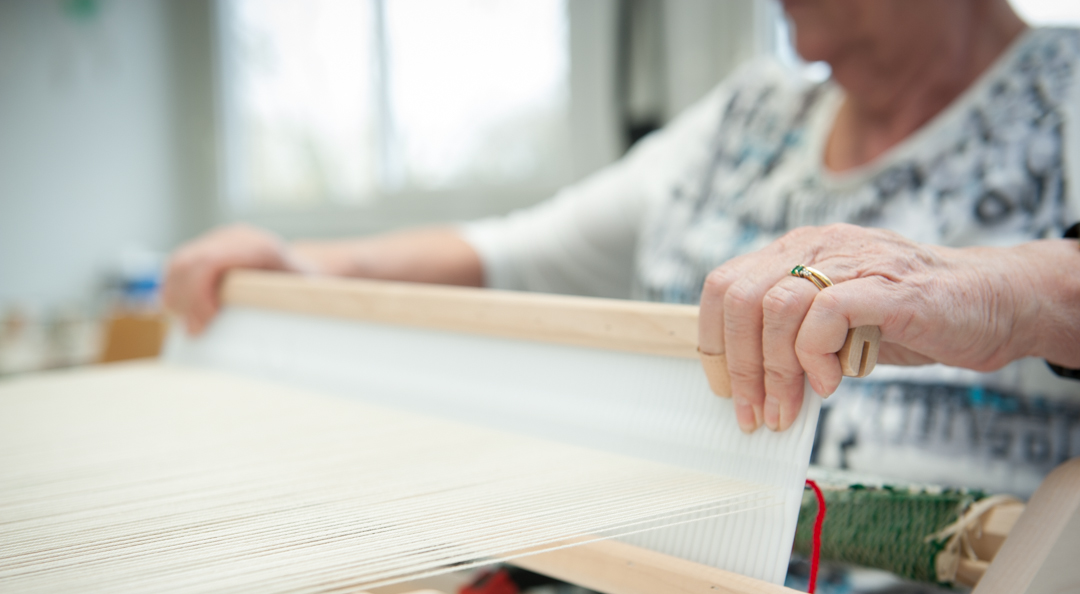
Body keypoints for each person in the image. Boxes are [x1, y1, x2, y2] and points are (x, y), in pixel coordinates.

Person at [165, 0, 1080, 494]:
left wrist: (1009, 290)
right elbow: (513, 253)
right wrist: (317, 267)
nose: (788, 14)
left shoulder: (1064, 95)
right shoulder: (745, 120)